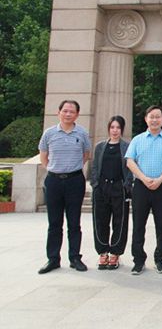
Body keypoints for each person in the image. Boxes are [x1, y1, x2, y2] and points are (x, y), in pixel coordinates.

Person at [38, 100, 91, 274]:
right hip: (54, 181)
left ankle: (75, 257)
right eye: (65, 111)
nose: (68, 114)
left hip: (75, 181)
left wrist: (71, 168)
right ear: (59, 112)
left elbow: (86, 155)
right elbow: (43, 156)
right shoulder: (49, 133)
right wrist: (54, 169)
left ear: (77, 114)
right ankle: (53, 259)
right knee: (54, 222)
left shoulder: (82, 133)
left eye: (72, 112)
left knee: (74, 222)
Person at [126, 105, 162, 275]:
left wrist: (160, 179)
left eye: (158, 117)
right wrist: (143, 178)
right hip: (141, 186)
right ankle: (138, 260)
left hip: (161, 186)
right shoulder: (137, 139)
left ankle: (160, 260)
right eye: (151, 116)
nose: (154, 120)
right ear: (146, 119)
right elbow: (130, 161)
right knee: (138, 225)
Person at [90, 115, 133, 270]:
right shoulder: (100, 146)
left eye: (118, 128)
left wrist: (127, 185)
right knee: (100, 221)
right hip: (102, 187)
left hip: (119, 187)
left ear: (122, 130)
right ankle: (102, 252)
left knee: (120, 222)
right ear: (109, 129)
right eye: (112, 127)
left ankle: (115, 252)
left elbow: (130, 167)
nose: (115, 130)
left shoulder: (127, 146)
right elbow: (94, 166)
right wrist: (95, 184)